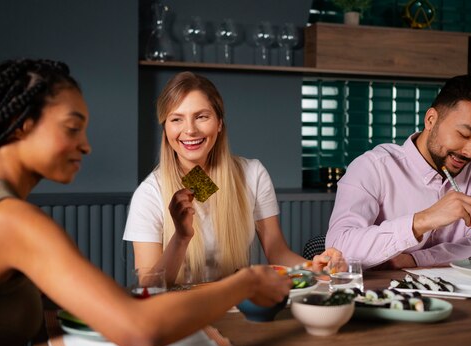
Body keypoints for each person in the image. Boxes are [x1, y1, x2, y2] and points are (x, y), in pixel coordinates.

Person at [0, 60, 292, 346]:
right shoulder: (9, 220)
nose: (87, 145)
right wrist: (248, 281)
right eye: (73, 128)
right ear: (21, 124)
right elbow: (140, 329)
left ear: (220, 123)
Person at [123, 71, 342, 286]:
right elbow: (148, 285)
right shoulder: (150, 193)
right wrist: (181, 237)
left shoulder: (252, 174)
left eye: (201, 116)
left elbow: (277, 252)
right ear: (165, 128)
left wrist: (313, 268)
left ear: (219, 123)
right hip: (181, 313)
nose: (189, 130)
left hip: (237, 307)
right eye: (176, 119)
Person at [324, 74, 471, 270]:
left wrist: (419, 259)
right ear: (431, 120)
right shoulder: (373, 167)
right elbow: (338, 249)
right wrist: (423, 220)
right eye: (464, 135)